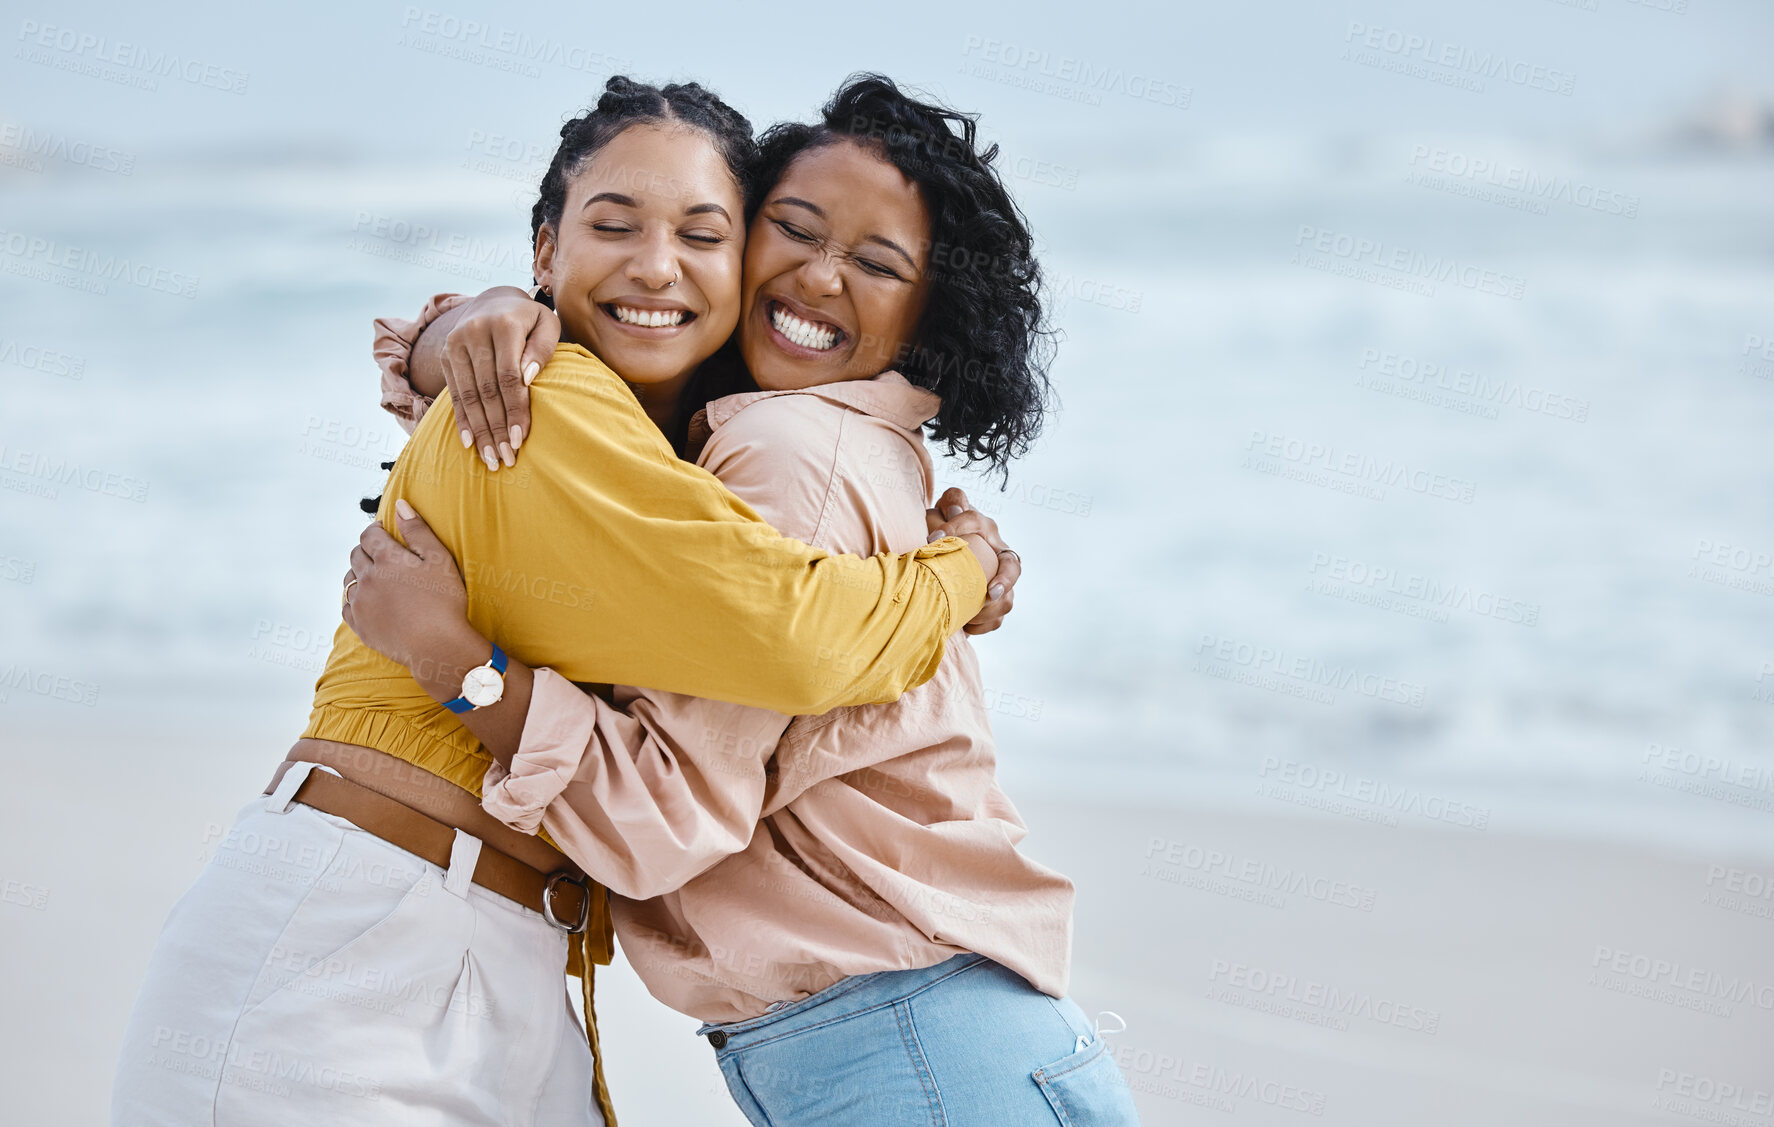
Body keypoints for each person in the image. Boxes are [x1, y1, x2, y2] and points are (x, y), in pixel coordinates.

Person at [109, 77, 1016, 1127]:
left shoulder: (672, 452)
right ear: (546, 253)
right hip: (350, 940)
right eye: (613, 224)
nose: (654, 263)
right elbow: (796, 635)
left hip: (509, 952)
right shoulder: (546, 400)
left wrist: (446, 329)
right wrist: (963, 573)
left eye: (701, 234)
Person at [349, 75, 1138, 1126]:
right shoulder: (818, 439)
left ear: (926, 310)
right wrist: (475, 323)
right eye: (793, 230)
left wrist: (455, 662)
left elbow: (659, 820)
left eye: (876, 262)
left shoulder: (783, 449)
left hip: (907, 1042)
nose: (817, 277)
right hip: (941, 1037)